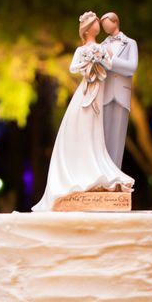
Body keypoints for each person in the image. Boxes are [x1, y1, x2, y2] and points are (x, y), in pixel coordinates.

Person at [32, 12, 134, 212]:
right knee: (82, 125)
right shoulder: (82, 49)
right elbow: (73, 68)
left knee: (96, 130)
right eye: (96, 23)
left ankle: (94, 167)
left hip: (100, 94)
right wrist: (88, 63)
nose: (98, 26)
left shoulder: (103, 47)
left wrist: (101, 60)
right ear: (88, 29)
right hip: (86, 93)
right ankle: (82, 170)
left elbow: (112, 65)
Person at [100, 12, 138, 168]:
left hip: (122, 93)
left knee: (119, 135)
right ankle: (104, 173)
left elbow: (132, 68)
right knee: (103, 137)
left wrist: (112, 60)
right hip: (105, 93)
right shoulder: (101, 45)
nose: (103, 28)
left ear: (115, 22)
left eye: (106, 23)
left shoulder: (130, 43)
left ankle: (115, 172)